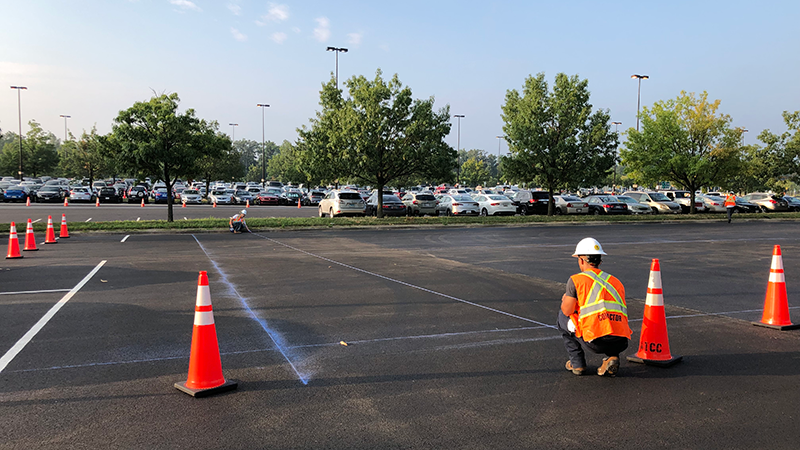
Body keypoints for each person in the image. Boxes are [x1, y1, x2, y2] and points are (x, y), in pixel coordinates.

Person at [557, 237, 632, 377]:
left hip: (596, 341)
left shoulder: (576, 280)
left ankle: (577, 364)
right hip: (621, 341)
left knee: (562, 317)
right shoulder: (615, 281)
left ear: (581, 260)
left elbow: (567, 310)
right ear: (600, 261)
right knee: (610, 322)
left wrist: (565, 298)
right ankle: (612, 357)